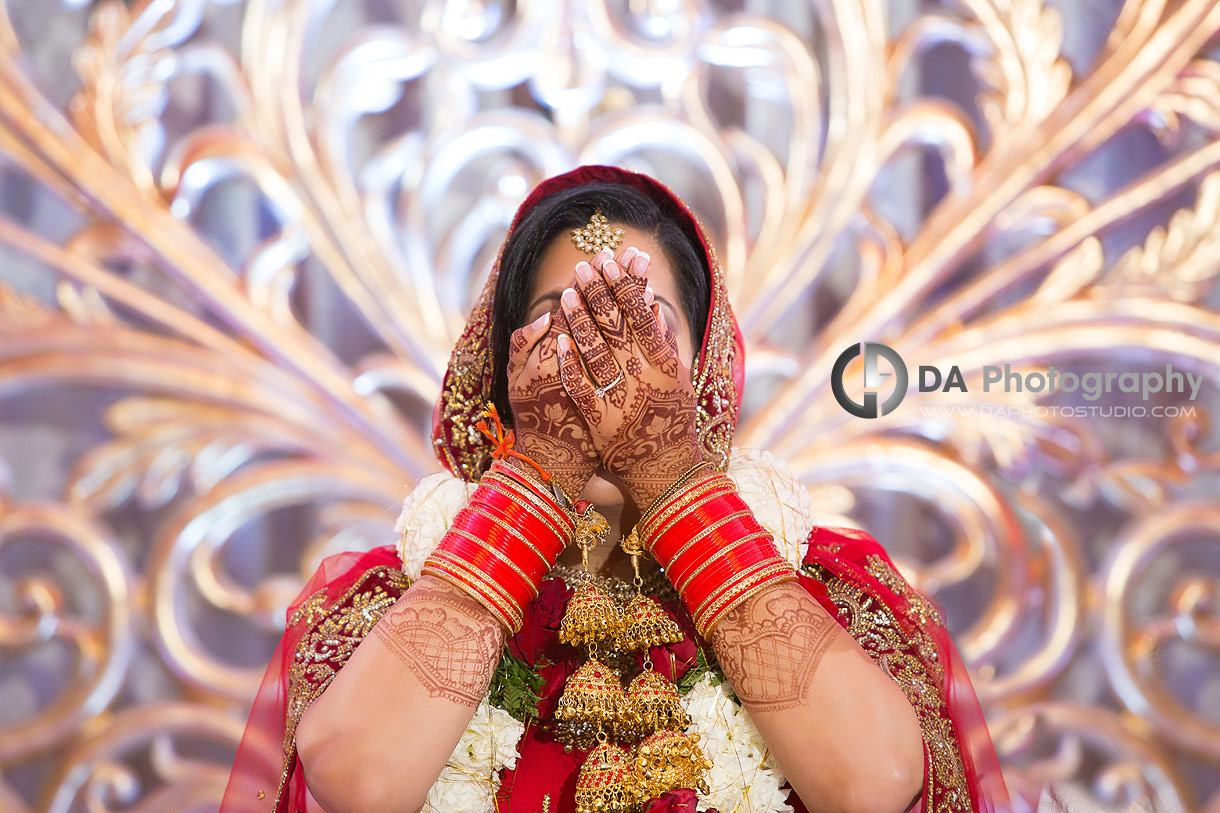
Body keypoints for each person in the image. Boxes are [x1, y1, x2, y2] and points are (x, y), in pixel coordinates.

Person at [220, 165, 1012, 813]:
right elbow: (356, 784)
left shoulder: (829, 590)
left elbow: (874, 783)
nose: (601, 358)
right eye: (561, 323)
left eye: (641, 323)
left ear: (702, 363)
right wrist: (538, 475)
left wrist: (668, 472)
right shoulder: (389, 602)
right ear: (501, 369)